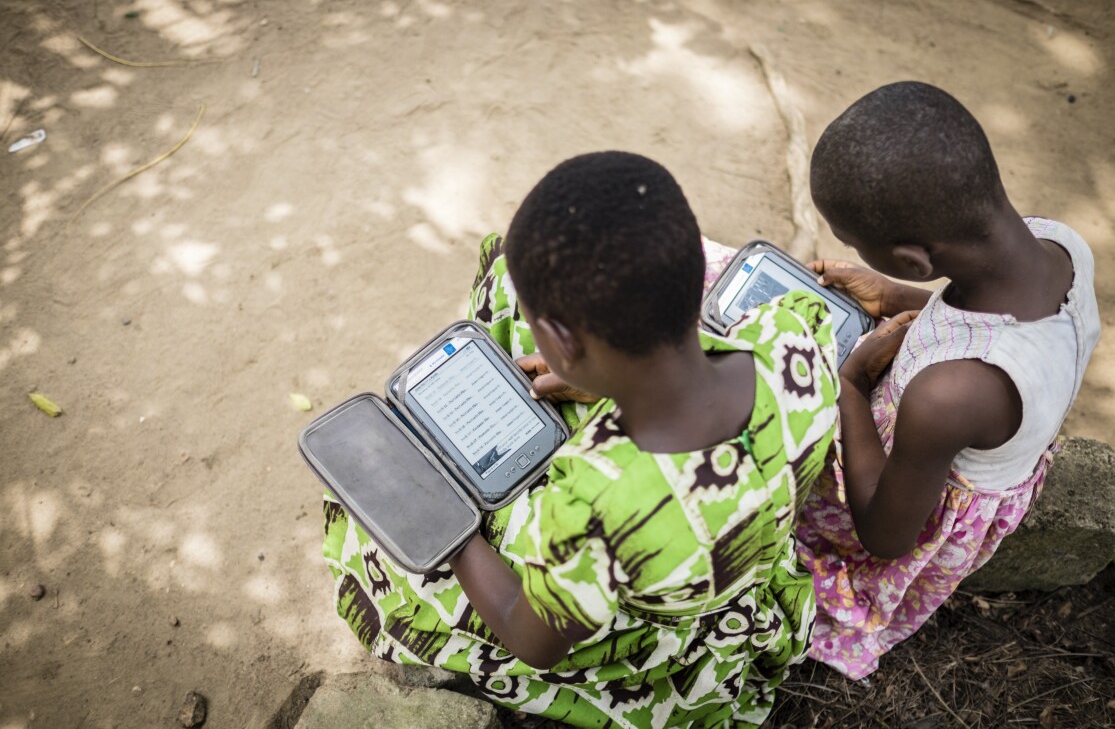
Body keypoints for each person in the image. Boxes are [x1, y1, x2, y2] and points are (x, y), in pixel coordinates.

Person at [322, 151, 840, 726]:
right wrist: (604, 382)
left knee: (371, 517)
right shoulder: (794, 333)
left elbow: (532, 639)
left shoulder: (596, 493)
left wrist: (448, 524)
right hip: (734, 559)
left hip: (656, 633)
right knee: (505, 278)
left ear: (564, 345)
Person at [794, 81, 1101, 680]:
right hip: (929, 441)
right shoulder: (1059, 243)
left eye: (858, 243)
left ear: (914, 256)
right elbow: (984, 320)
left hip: (897, 500)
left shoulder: (951, 393)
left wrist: (851, 385)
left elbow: (885, 535)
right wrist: (901, 296)